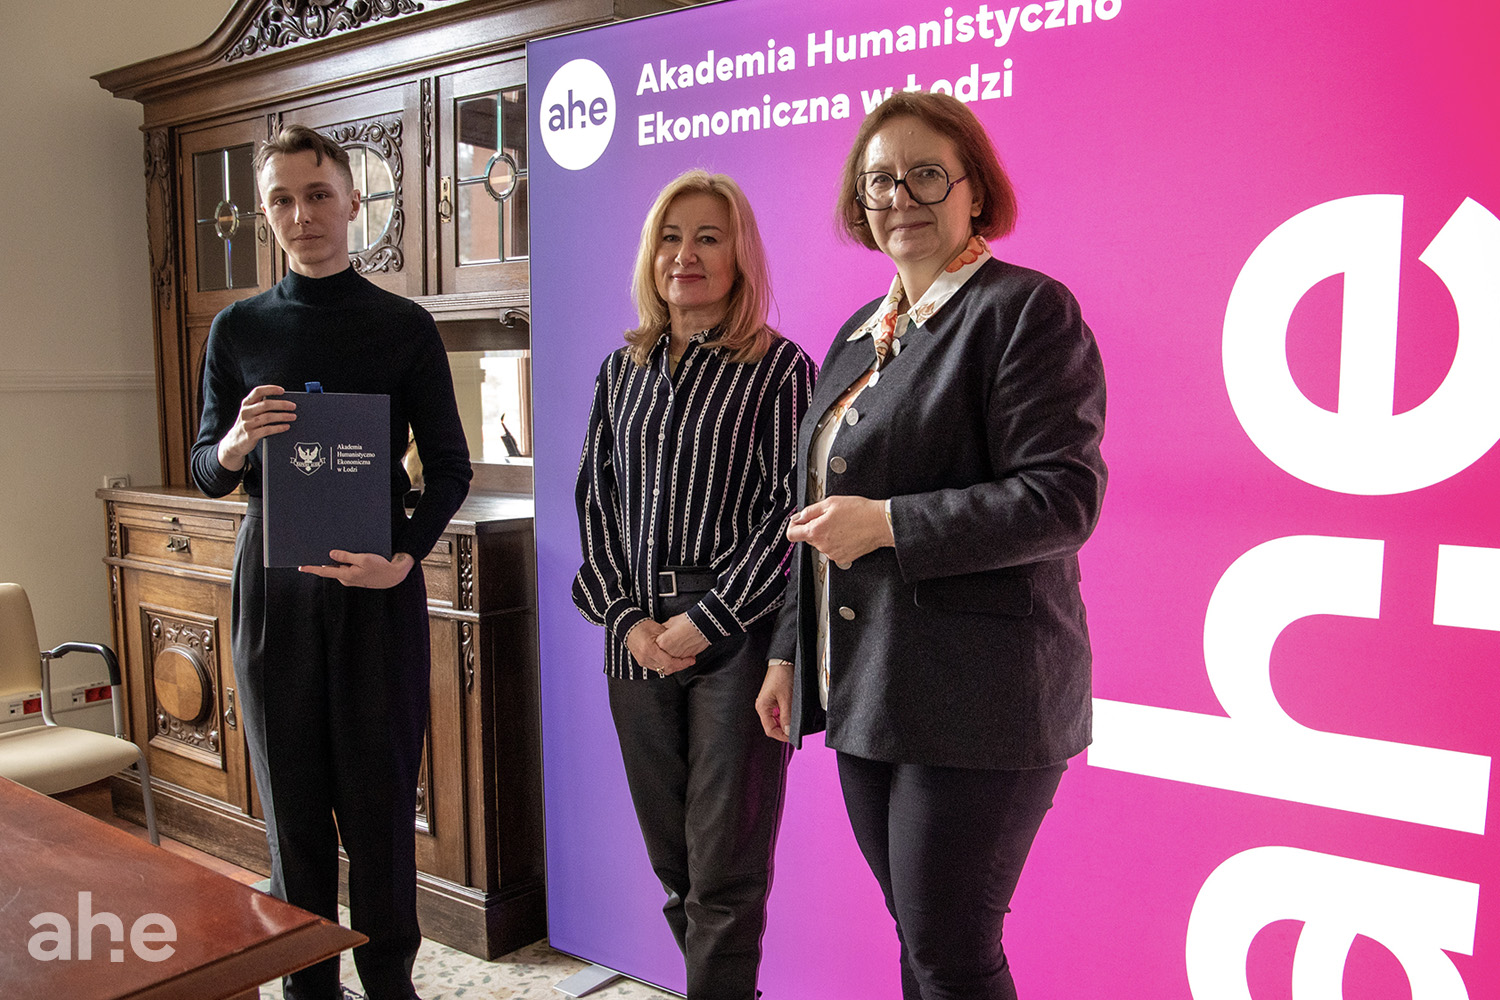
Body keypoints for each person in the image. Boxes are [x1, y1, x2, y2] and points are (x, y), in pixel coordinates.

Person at [755, 91, 1107, 1000]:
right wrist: (789, 654)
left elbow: (1061, 498)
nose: (900, 197)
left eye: (925, 175)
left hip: (984, 700)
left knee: (951, 953)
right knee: (922, 943)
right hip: (871, 687)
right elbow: (813, 513)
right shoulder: (857, 336)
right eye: (880, 181)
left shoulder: (1025, 310)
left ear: (973, 191)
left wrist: (890, 523)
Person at [192, 123, 471, 1000]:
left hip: (375, 595)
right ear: (265, 213)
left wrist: (404, 558)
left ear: (353, 202)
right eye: (281, 200)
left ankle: (390, 984)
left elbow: (450, 468)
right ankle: (306, 987)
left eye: (317, 195)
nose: (301, 215)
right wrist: (236, 442)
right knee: (294, 816)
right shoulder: (237, 329)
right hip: (272, 595)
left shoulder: (403, 327)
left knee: (382, 811)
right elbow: (206, 470)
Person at [572, 169, 815, 1000]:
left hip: (735, 641)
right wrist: (626, 620)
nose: (687, 255)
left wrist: (706, 621)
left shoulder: (780, 369)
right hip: (635, 635)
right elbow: (596, 502)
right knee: (676, 869)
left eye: (709, 238)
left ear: (739, 255)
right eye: (671, 239)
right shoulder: (622, 369)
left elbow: (791, 516)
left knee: (725, 874)